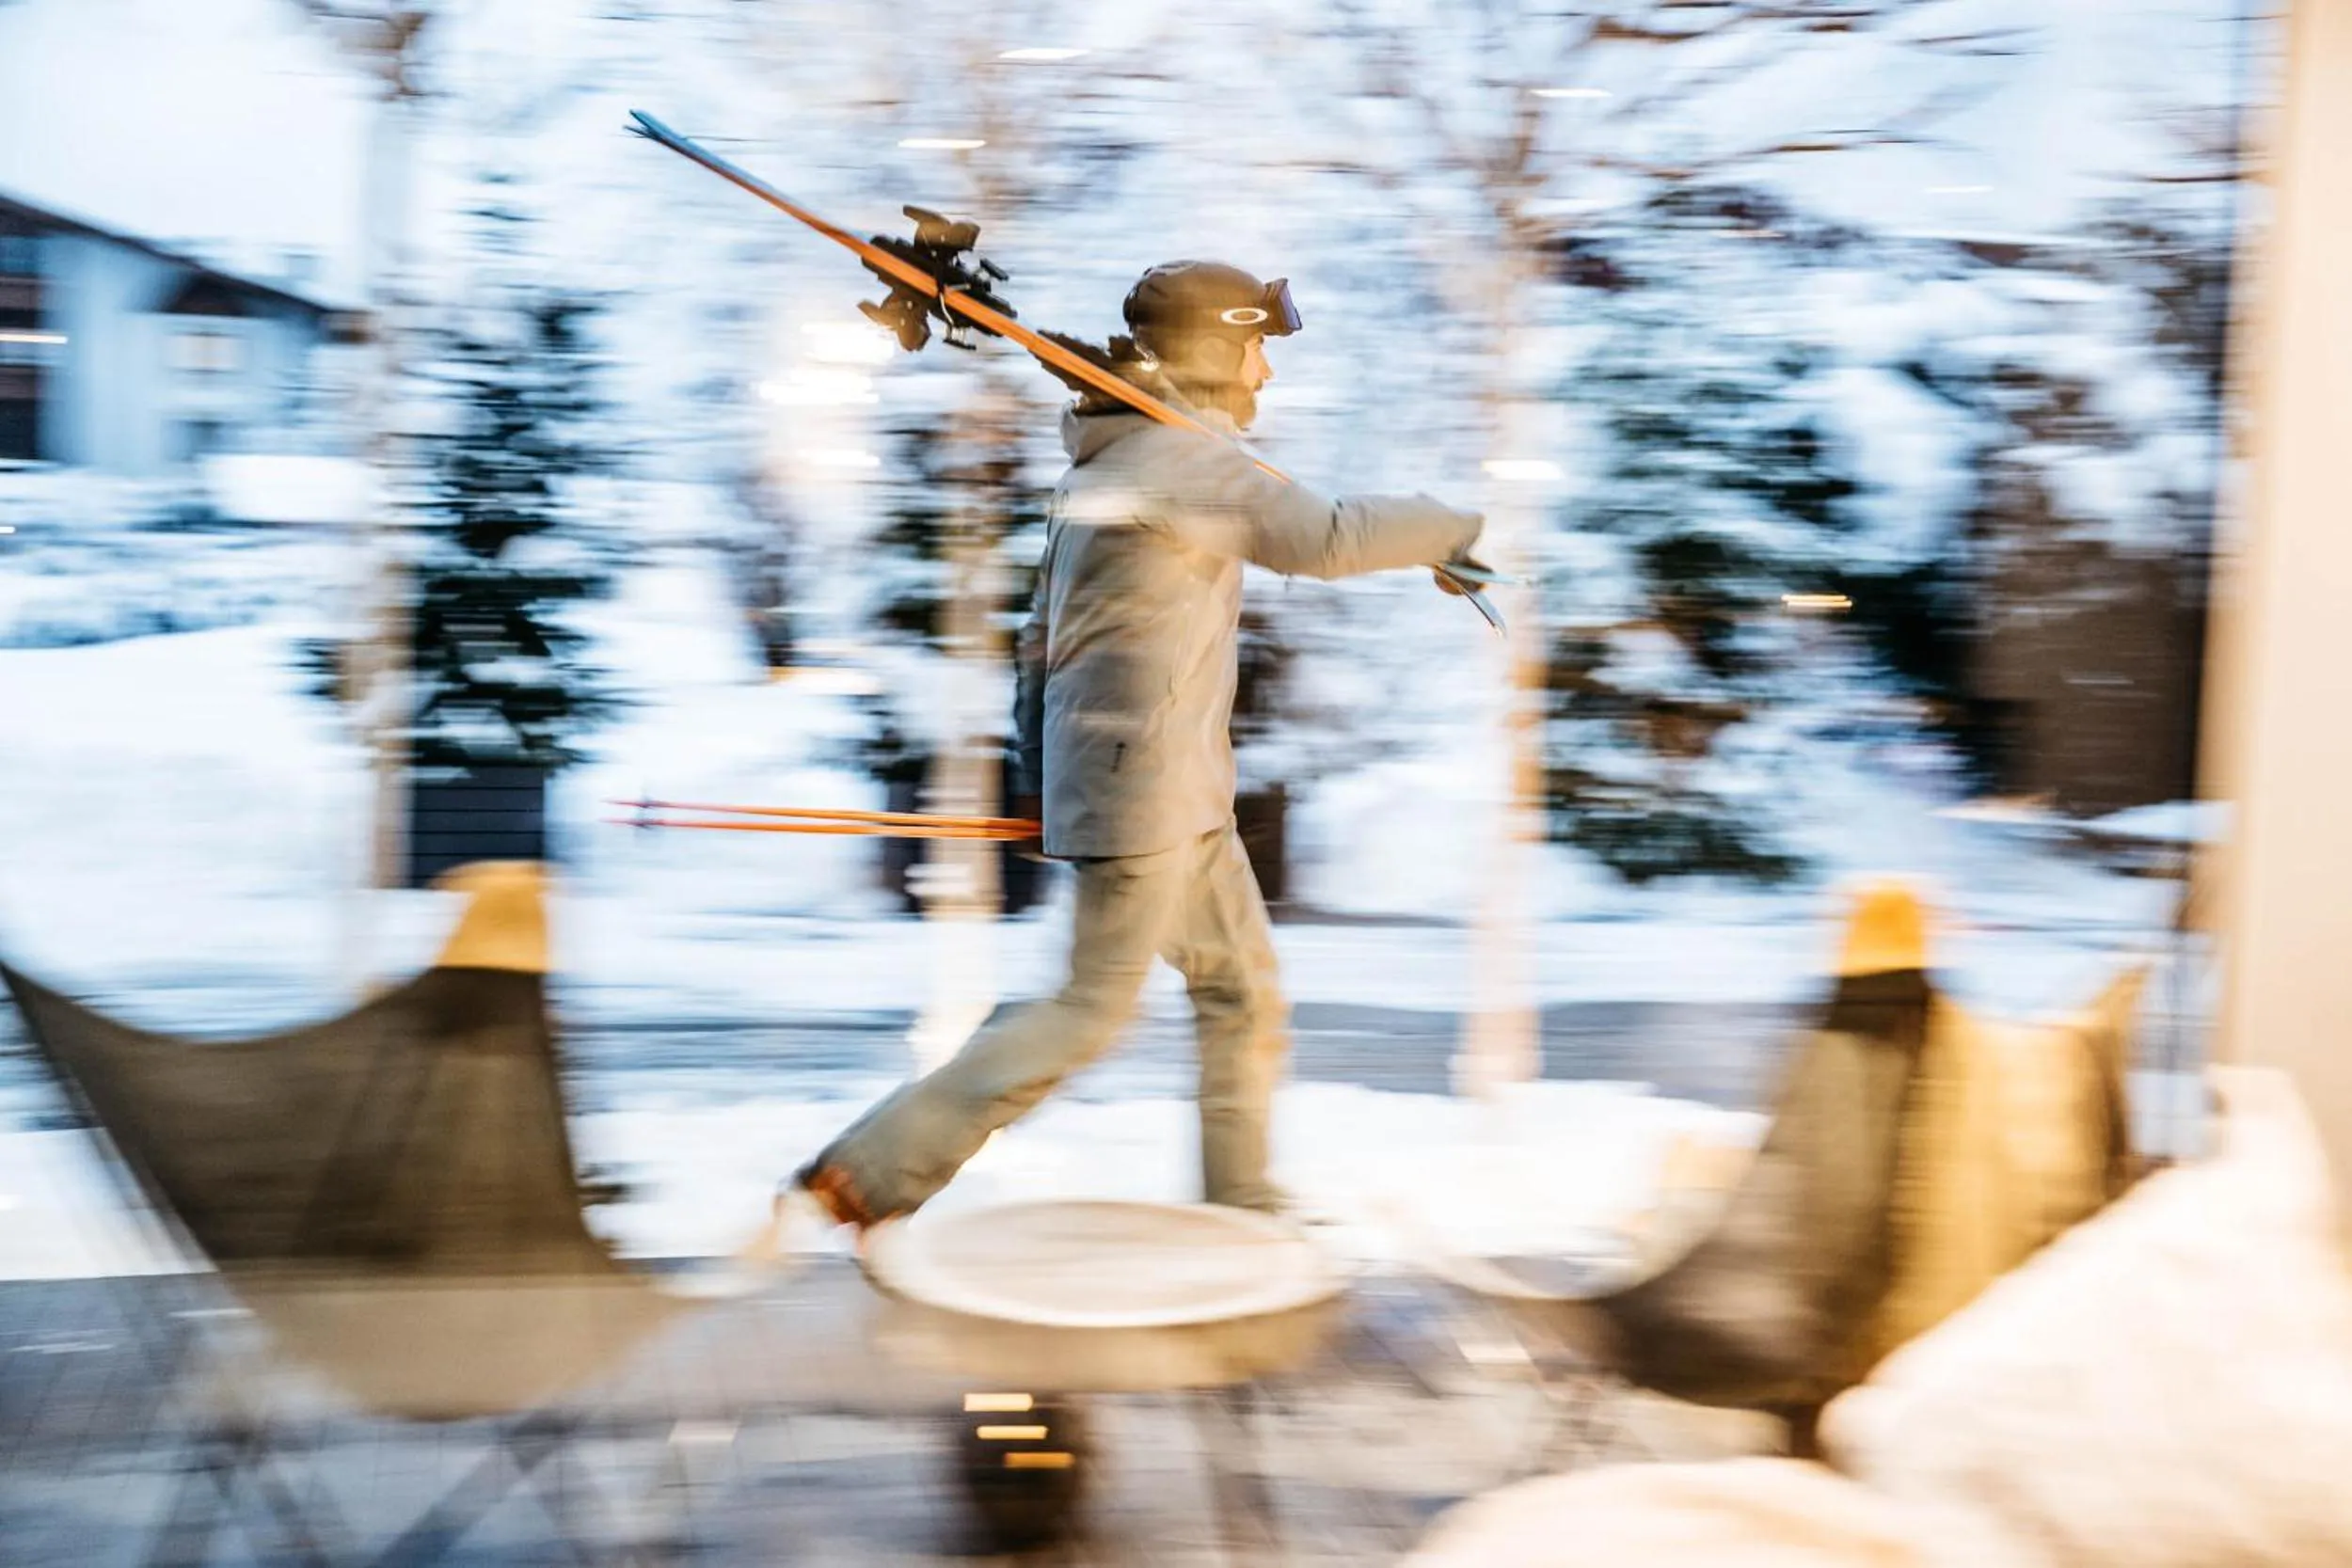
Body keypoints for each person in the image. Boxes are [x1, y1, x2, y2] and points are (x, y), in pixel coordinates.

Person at [784, 260, 1486, 1233]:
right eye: (1255, 350)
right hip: (1146, 790)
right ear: (1210, 350)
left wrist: (1046, 780)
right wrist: (1453, 525)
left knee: (1240, 991)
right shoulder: (1178, 463)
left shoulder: (1119, 464)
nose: (1266, 375)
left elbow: (1041, 648)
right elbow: (1322, 539)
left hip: (1166, 787)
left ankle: (1242, 1205)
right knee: (1087, 1008)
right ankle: (871, 1168)